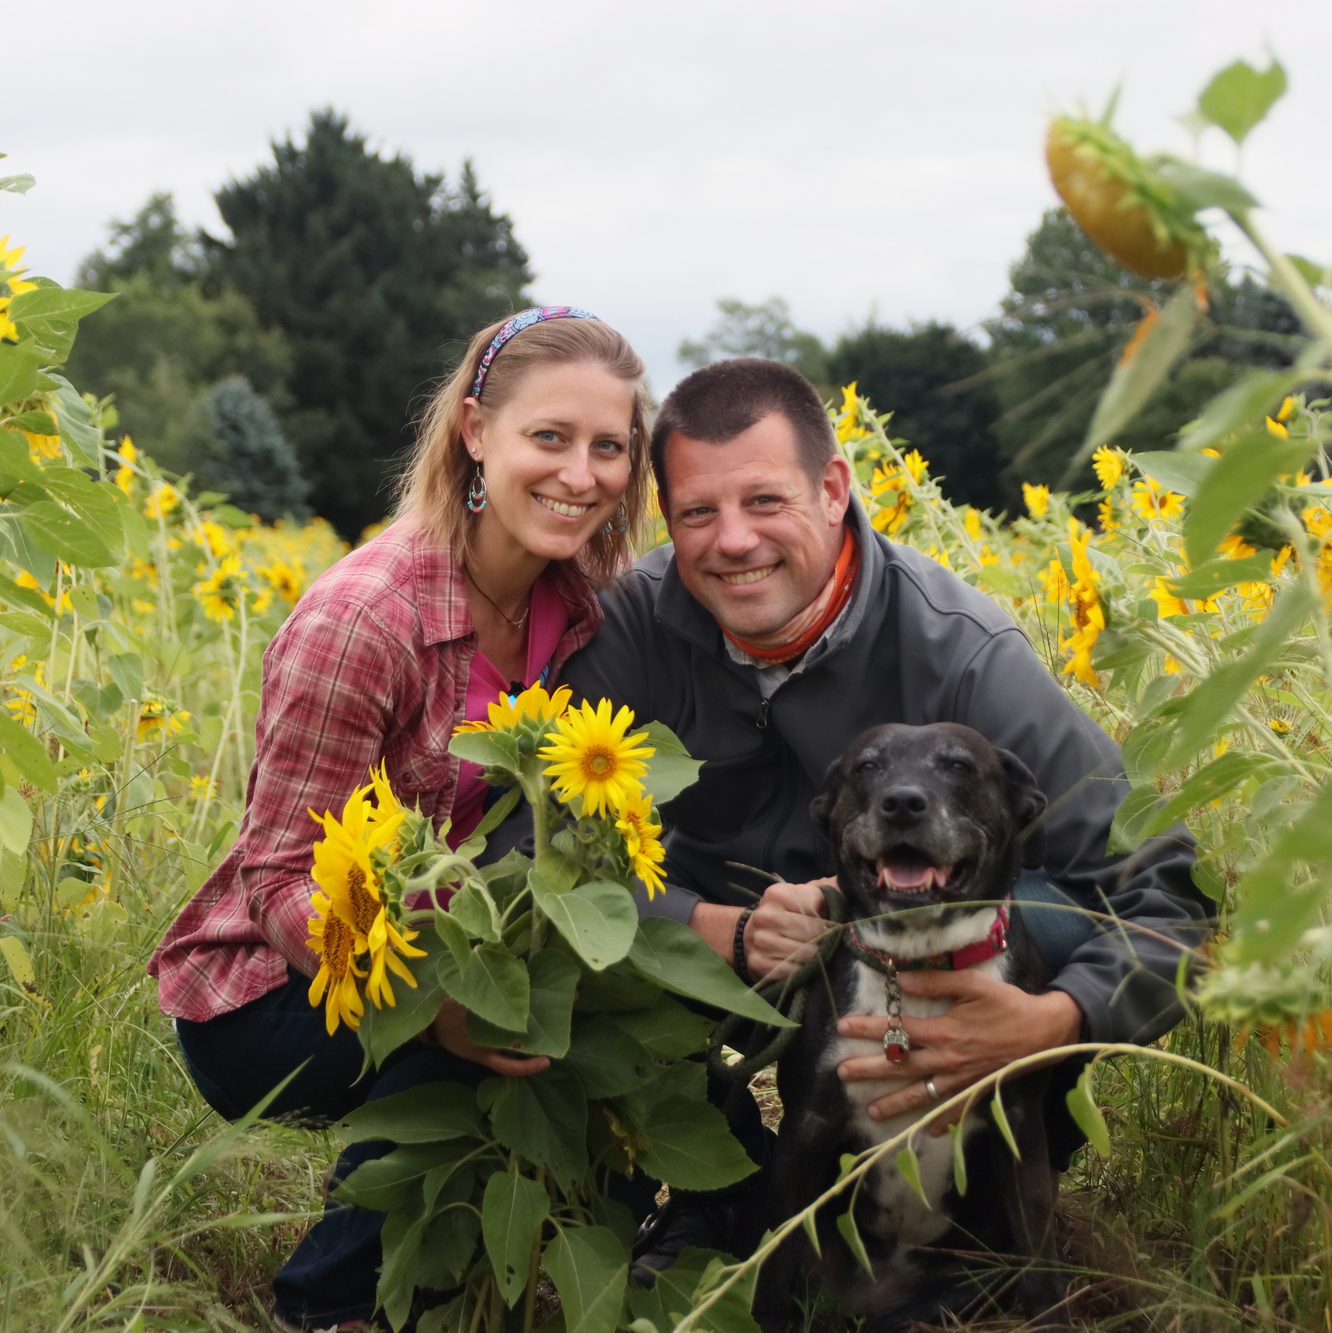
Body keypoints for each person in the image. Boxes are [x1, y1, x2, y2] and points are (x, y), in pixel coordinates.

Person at [557, 357, 1210, 1267]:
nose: (731, 540)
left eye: (764, 501)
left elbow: (1169, 893)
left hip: (946, 953)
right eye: (697, 513)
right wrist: (708, 927)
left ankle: (998, 1168)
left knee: (1051, 921)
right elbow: (535, 847)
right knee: (567, 954)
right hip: (717, 959)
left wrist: (1056, 1017)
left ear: (833, 488)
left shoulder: (966, 652)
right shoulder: (629, 625)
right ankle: (714, 1193)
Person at [148, 307, 653, 1333]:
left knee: (604, 1027)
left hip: (457, 943)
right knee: (474, 1040)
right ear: (476, 432)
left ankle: (532, 1276)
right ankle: (329, 1309)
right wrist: (432, 999)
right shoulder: (363, 620)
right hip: (269, 990)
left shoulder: (589, 601)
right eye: (548, 438)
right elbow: (279, 874)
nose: (581, 474)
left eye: (609, 447)